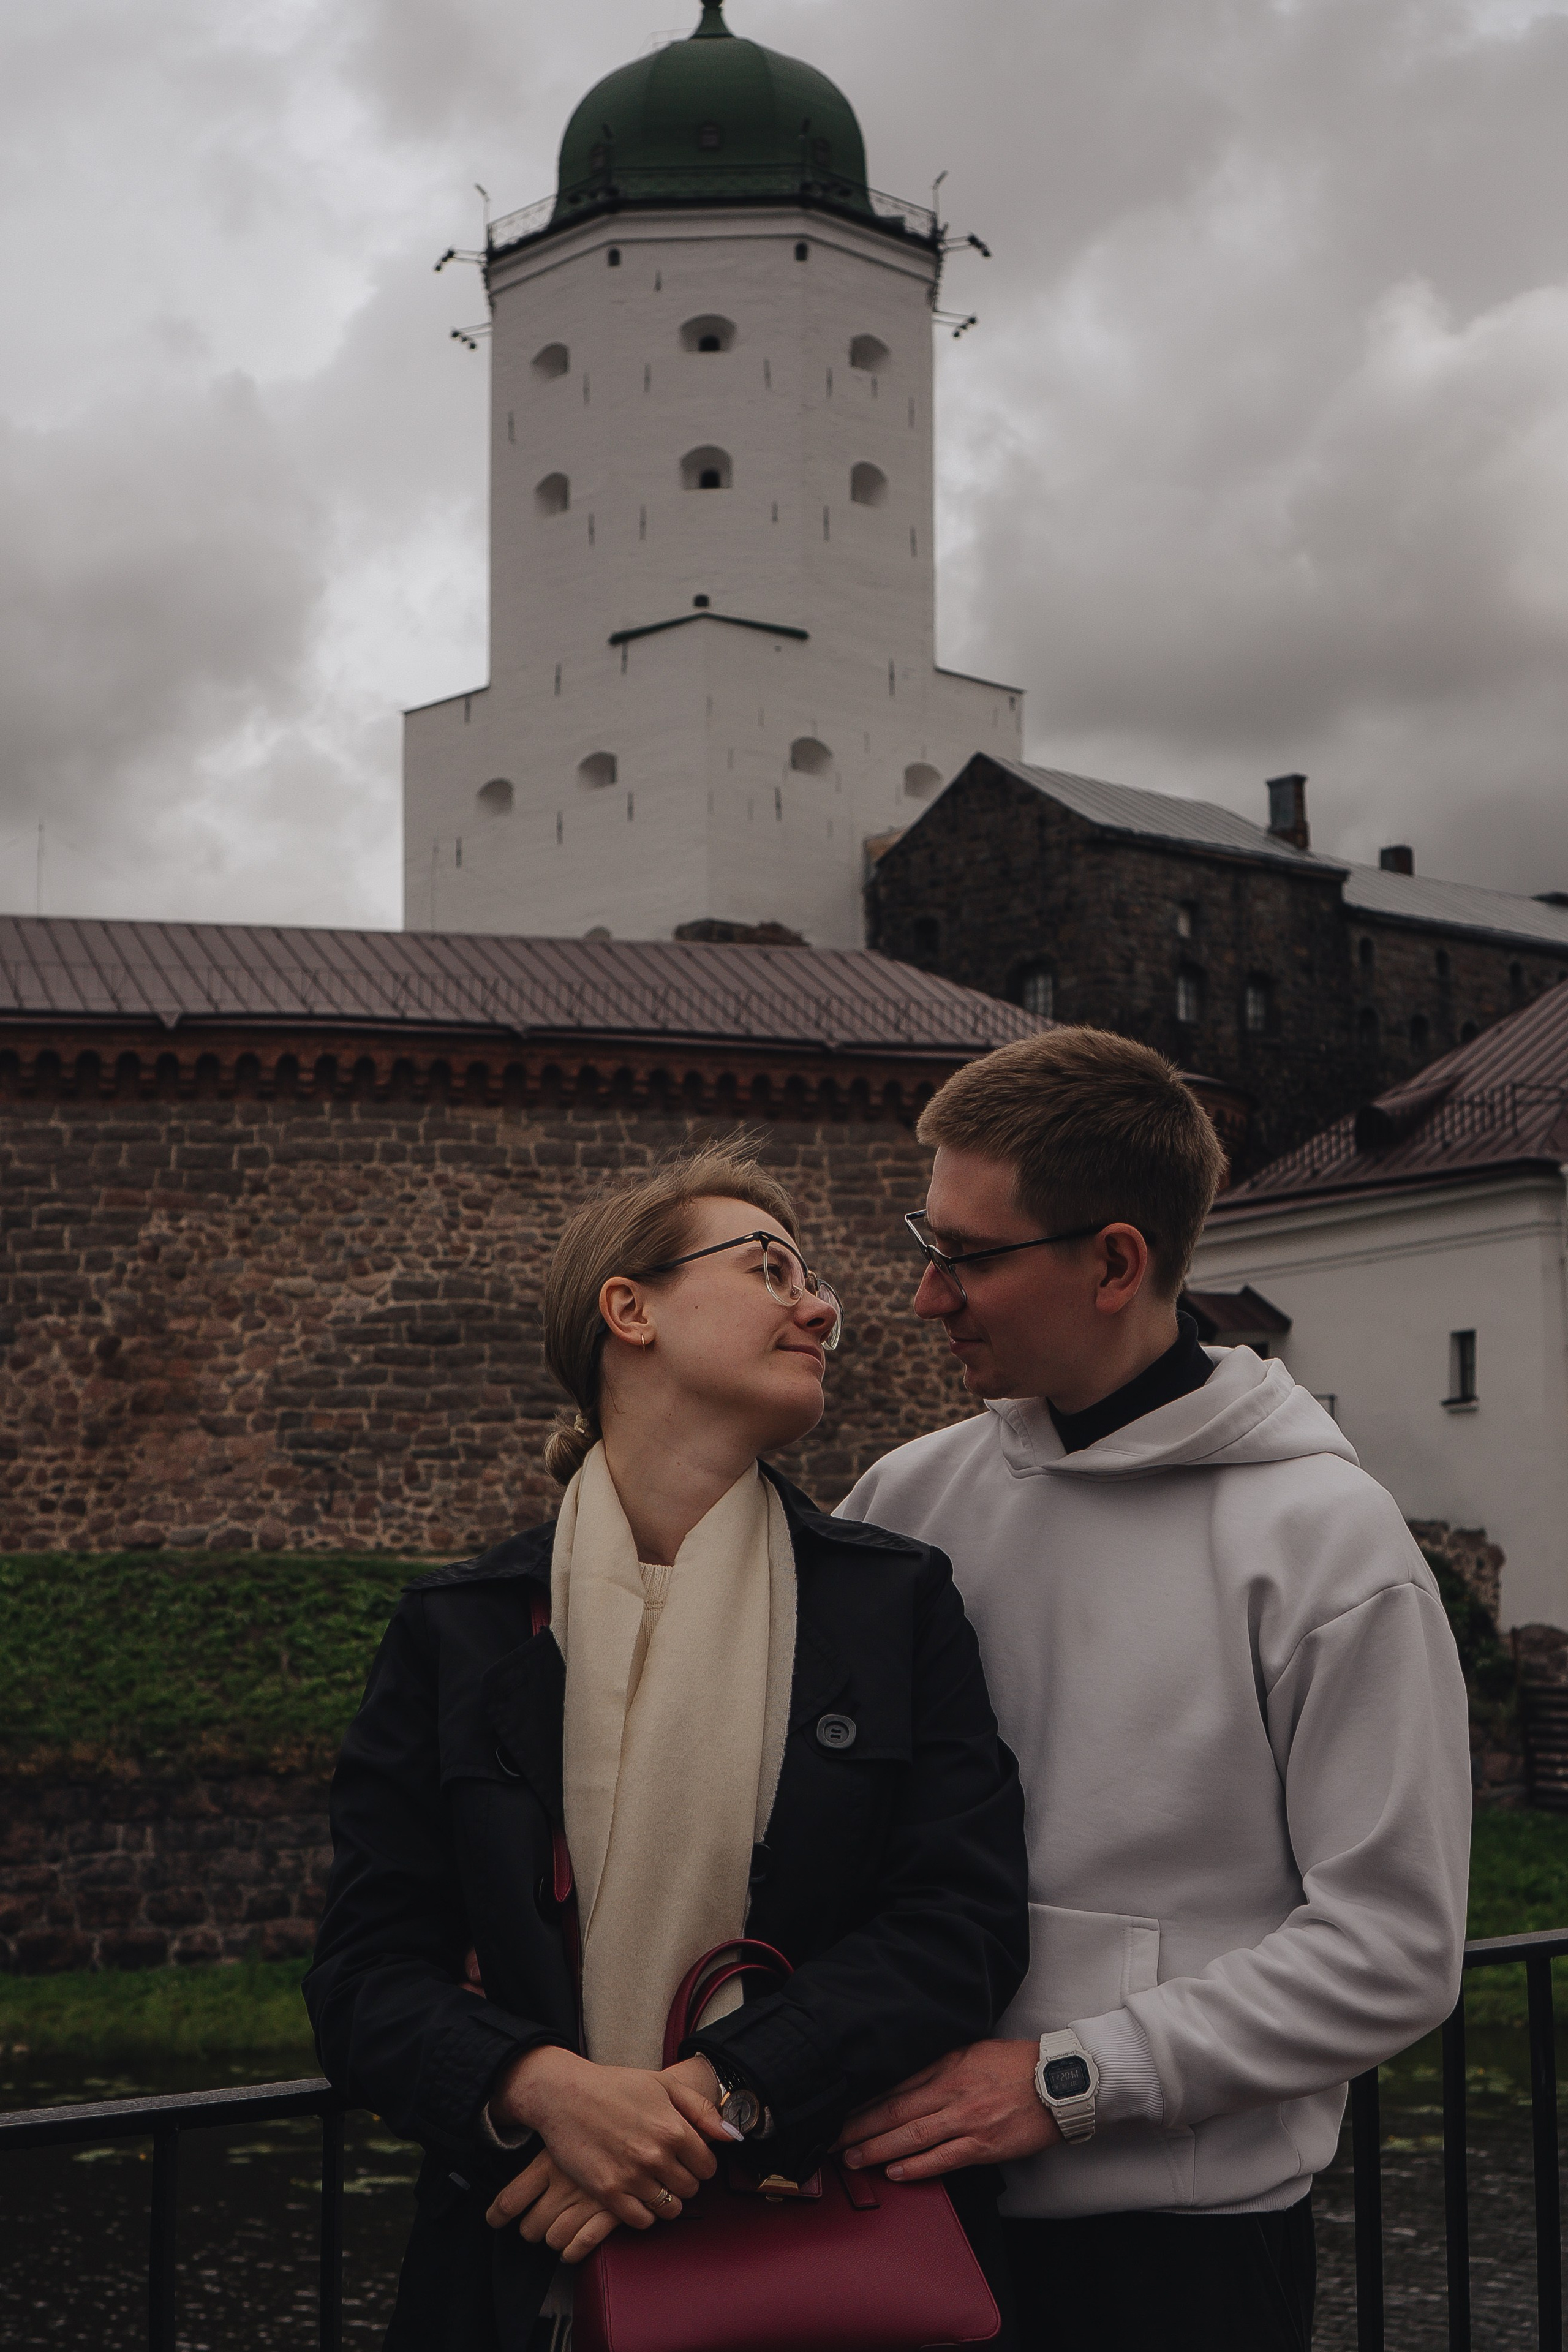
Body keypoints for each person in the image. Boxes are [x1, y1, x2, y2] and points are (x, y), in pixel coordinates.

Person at [304, 1144, 1029, 2351]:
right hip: (511, 2290)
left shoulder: (890, 1603)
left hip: (814, 2260)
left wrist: (706, 2099)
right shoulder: (462, 1630)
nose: (820, 1305)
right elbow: (365, 1975)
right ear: (626, 1310)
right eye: (767, 1268)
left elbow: (959, 1926)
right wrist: (541, 2090)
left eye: (812, 1279)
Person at [834, 1028, 1472, 2352]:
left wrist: (1073, 2082)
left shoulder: (1328, 1545)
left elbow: (1394, 1951)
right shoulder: (906, 1497)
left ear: (1113, 1262)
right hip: (891, 2215)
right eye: (925, 1241)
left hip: (1182, 2266)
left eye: (965, 1256)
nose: (924, 1297)